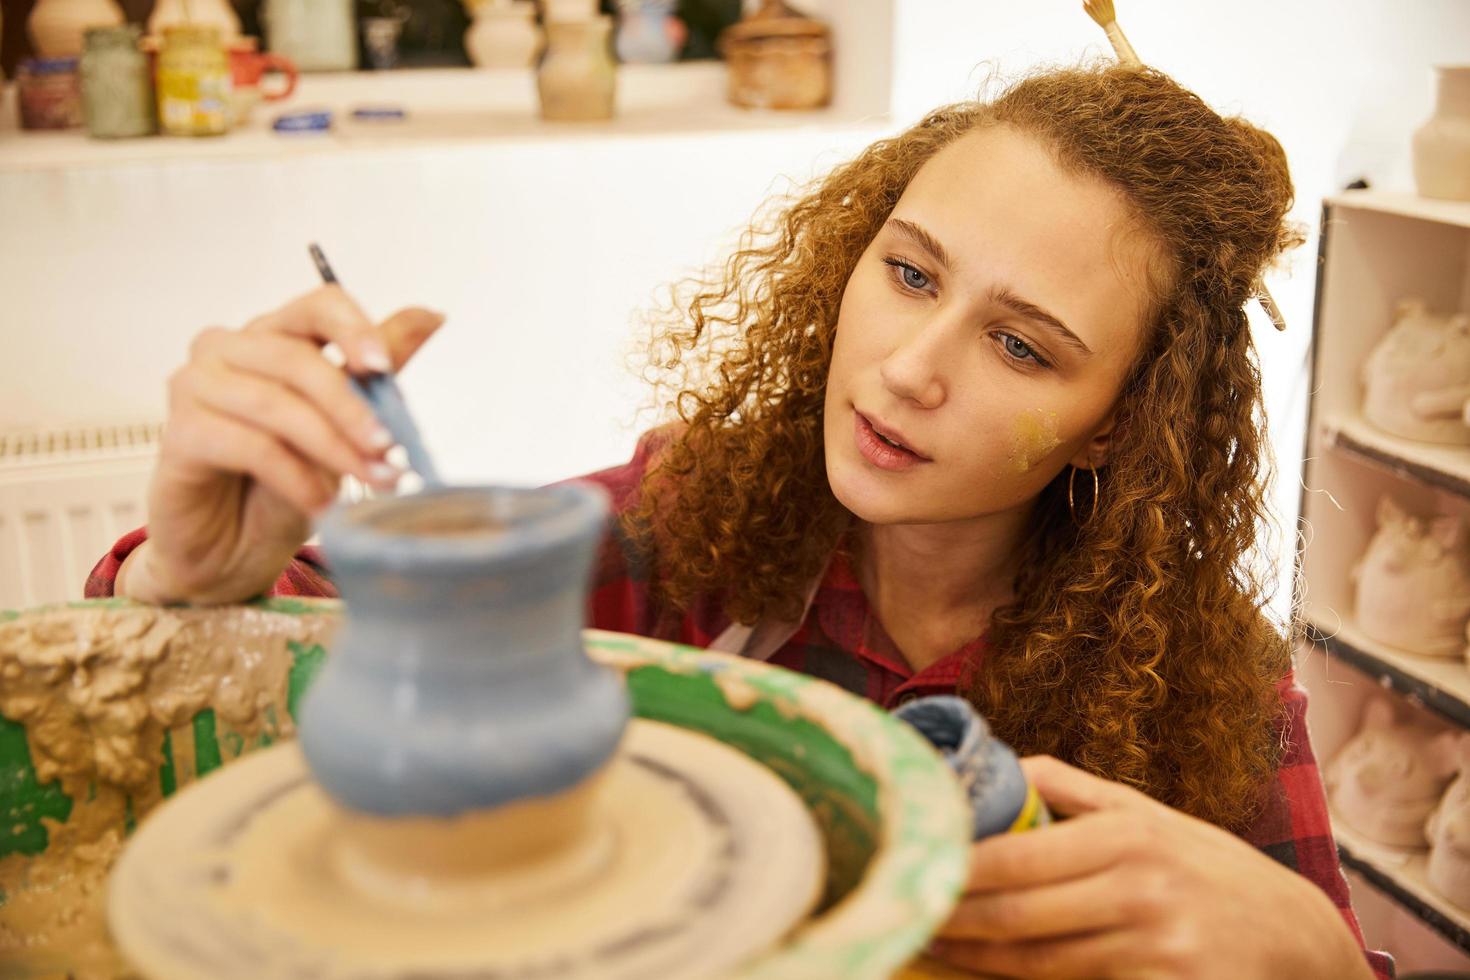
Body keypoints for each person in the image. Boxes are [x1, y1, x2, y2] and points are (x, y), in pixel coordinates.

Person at [88, 64, 1392, 978]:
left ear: (1116, 422)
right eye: (908, 273)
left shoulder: (1202, 679)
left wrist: (1317, 961)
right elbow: (284, 685)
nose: (906, 367)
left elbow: (1294, 939)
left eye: (1018, 345)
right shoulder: (678, 531)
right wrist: (190, 580)